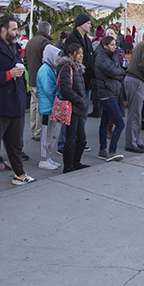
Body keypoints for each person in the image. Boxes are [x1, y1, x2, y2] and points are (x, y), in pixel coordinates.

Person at [0, 15, 35, 194]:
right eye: (14, 29)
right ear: (3, 30)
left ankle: (19, 174)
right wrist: (8, 74)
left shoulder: (15, 48)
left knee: (16, 143)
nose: (17, 33)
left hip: (15, 104)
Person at [59, 13, 94, 153]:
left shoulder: (87, 39)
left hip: (86, 81)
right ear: (81, 24)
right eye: (88, 23)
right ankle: (63, 144)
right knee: (71, 115)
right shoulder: (72, 39)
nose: (90, 25)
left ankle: (80, 140)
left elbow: (90, 58)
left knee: (83, 114)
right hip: (76, 81)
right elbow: (73, 59)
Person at [57, 43, 90, 172]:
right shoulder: (67, 68)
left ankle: (76, 163)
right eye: (79, 53)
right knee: (71, 138)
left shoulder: (78, 68)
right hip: (72, 108)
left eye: (82, 53)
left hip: (78, 108)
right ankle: (68, 166)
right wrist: (80, 100)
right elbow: (66, 90)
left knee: (81, 138)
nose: (81, 55)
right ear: (71, 55)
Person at [94, 36, 126, 162]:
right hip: (106, 93)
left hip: (111, 91)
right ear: (105, 45)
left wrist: (119, 71)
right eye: (112, 45)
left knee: (105, 122)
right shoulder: (101, 57)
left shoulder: (110, 56)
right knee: (120, 123)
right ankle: (112, 151)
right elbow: (113, 71)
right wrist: (120, 72)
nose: (114, 47)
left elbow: (117, 69)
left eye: (115, 44)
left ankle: (102, 150)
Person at [24, 21, 52, 142]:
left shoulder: (31, 41)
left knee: (34, 106)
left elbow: (25, 59)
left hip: (32, 78)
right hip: (41, 79)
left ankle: (33, 130)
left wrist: (30, 70)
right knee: (41, 106)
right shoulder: (45, 42)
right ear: (48, 31)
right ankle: (38, 132)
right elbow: (48, 62)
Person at [36, 45, 62, 171]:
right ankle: (44, 159)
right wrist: (58, 101)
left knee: (51, 134)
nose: (58, 58)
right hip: (48, 108)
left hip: (50, 107)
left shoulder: (49, 68)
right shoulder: (45, 70)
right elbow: (49, 90)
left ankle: (48, 157)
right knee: (47, 134)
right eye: (57, 55)